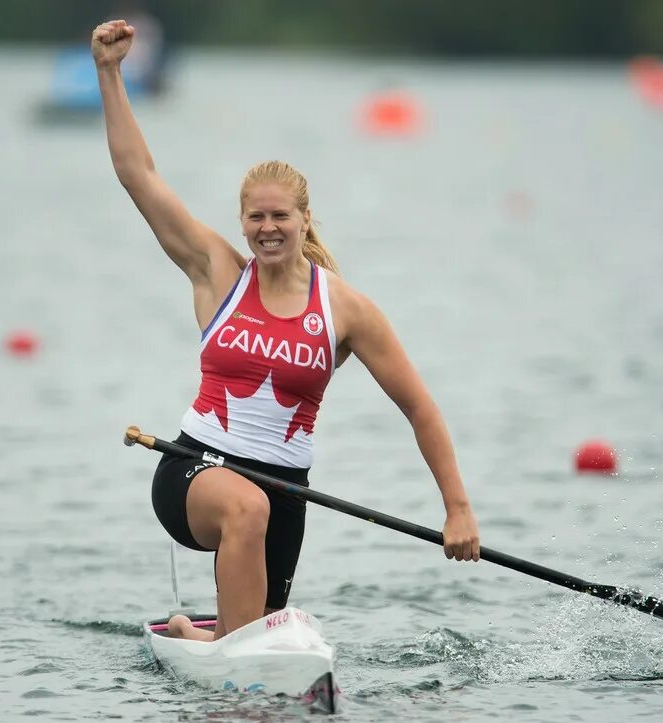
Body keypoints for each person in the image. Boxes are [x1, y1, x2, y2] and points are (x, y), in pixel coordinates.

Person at [92, 19, 481, 642]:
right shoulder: (217, 271)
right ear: (242, 222)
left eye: (281, 216)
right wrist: (110, 74)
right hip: (194, 470)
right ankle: (230, 654)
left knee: (257, 610)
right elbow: (138, 174)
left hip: (284, 493)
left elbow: (420, 407)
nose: (267, 228)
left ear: (305, 220)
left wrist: (458, 510)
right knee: (246, 511)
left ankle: (206, 639)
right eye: (256, 217)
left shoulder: (346, 310)